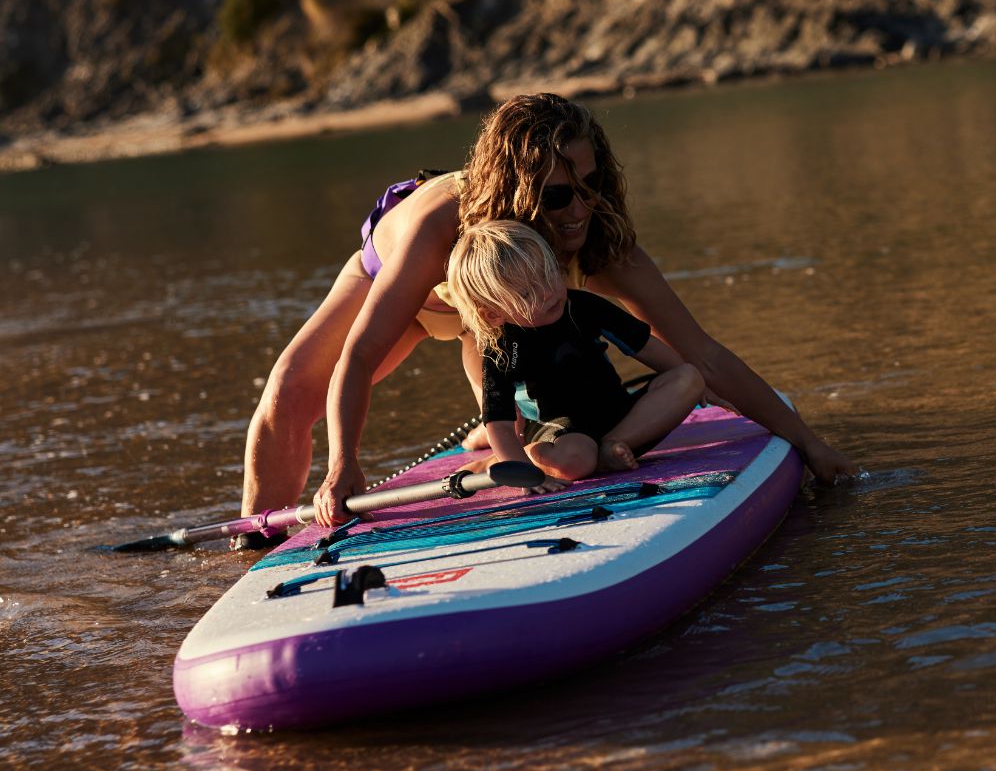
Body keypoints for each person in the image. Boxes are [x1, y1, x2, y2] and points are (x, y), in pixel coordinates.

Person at [241, 93, 855, 537]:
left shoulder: (595, 238)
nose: (579, 209)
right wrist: (344, 466)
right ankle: (254, 540)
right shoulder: (438, 227)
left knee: (519, 396)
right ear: (517, 190)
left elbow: (703, 356)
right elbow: (361, 354)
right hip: (418, 290)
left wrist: (806, 440)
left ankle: (513, 441)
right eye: (558, 194)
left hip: (499, 315)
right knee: (292, 392)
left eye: (592, 186)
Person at [447, 220, 706, 483]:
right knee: (575, 461)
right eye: (527, 293)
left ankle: (612, 447)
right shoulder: (502, 349)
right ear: (493, 313)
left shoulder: (581, 306)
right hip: (562, 431)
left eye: (548, 275)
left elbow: (646, 346)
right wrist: (530, 477)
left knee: (688, 377)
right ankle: (518, 458)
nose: (548, 292)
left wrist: (696, 389)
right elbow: (499, 425)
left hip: (621, 416)